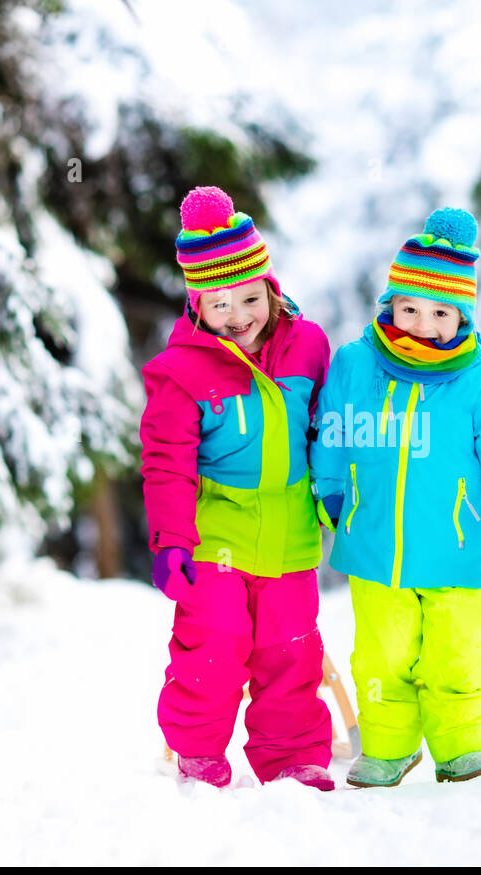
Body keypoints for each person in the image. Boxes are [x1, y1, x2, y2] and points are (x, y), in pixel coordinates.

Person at [310, 207, 481, 787]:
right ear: (389, 304)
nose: (421, 324)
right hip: (373, 552)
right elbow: (330, 431)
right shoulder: (357, 366)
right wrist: (331, 491)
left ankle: (462, 747)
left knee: (453, 654)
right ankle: (387, 748)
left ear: (461, 315)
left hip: (455, 553)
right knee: (381, 656)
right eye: (409, 307)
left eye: (440, 312)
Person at [140, 186, 335, 791]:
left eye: (250, 297)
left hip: (290, 539)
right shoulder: (183, 372)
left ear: (271, 289)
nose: (239, 315)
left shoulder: (307, 347)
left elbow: (326, 428)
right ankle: (197, 753)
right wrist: (171, 541)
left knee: (291, 651)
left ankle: (294, 757)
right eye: (220, 303)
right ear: (197, 305)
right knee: (213, 647)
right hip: (213, 539)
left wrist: (333, 491)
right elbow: (167, 463)